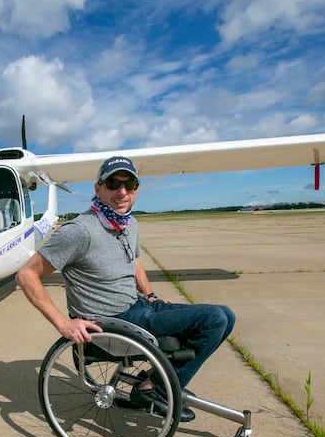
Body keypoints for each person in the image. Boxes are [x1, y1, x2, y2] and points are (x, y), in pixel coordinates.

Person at [15, 156, 235, 422]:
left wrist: (150, 294)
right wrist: (63, 324)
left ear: (135, 189)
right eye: (113, 184)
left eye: (129, 185)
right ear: (98, 189)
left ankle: (157, 383)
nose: (122, 192)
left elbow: (133, 261)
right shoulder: (80, 231)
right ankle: (157, 388)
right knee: (214, 319)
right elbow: (27, 275)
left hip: (139, 307)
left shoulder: (128, 223)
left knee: (227, 316)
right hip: (113, 321)